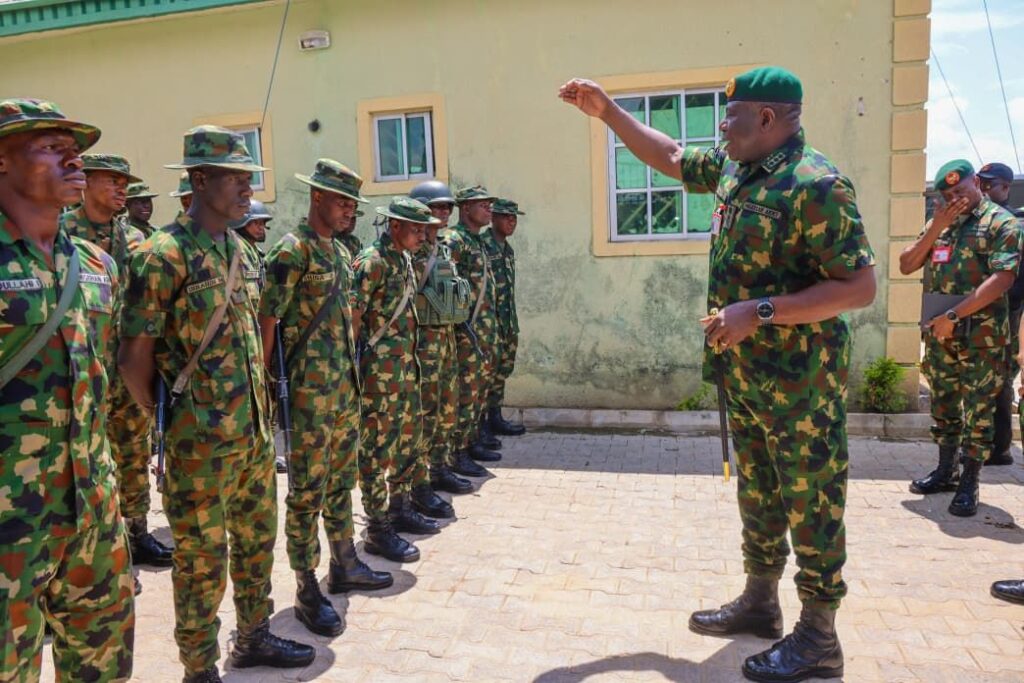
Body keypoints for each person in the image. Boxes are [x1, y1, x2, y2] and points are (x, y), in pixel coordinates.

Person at [560, 66, 877, 682]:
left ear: (767, 118)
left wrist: (759, 312)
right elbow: (673, 157)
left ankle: (820, 636)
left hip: (801, 386)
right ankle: (760, 602)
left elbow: (858, 287)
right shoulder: (738, 168)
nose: (722, 127)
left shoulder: (816, 184)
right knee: (758, 493)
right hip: (747, 377)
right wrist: (609, 113)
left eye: (731, 117)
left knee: (811, 501)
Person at [118, 125, 314, 682]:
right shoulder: (163, 255)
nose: (248, 188)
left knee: (257, 543)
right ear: (200, 180)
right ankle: (199, 667)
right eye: (235, 178)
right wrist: (174, 420)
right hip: (198, 449)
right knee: (201, 562)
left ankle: (252, 636)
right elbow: (133, 358)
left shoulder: (241, 249)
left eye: (249, 177)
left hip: (252, 437)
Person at [0, 97, 134, 682]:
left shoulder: (98, 265)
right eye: (51, 148)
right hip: (9, 524)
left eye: (74, 150)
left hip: (93, 512)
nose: (74, 160)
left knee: (103, 668)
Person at [259, 159, 393, 637]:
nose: (348, 212)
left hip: (342, 390)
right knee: (306, 494)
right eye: (341, 202)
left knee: (340, 482)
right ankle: (306, 586)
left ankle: (344, 562)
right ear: (317, 197)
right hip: (306, 398)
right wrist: (267, 388)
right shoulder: (291, 251)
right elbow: (267, 322)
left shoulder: (338, 251)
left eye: (353, 205)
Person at [61, 154, 173, 574]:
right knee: (87, 458)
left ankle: (137, 533)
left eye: (124, 181)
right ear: (86, 183)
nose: (122, 188)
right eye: (112, 180)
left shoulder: (135, 240)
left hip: (128, 367)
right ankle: (90, 547)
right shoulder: (62, 234)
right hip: (82, 372)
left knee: (134, 450)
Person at [901, 160, 1020, 518]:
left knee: (979, 410)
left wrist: (953, 316)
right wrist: (936, 226)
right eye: (949, 195)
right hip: (942, 336)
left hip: (982, 337)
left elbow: (1003, 279)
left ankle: (970, 480)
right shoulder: (941, 224)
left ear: (977, 183)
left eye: (961, 190)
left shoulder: (1002, 223)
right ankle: (946, 470)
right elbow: (907, 264)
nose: (956, 199)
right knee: (944, 403)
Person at [352, 197, 435, 562]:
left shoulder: (403, 259)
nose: (422, 236)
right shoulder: (371, 262)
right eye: (416, 229)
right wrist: (353, 370)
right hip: (378, 378)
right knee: (375, 450)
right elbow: (353, 318)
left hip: (405, 371)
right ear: (395, 226)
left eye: (424, 230)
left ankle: (399, 507)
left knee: (407, 441)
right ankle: (377, 526)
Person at [408, 180, 475, 512]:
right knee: (424, 416)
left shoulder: (444, 249)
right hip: (422, 347)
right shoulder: (411, 253)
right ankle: (419, 483)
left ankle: (440, 468)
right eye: (437, 207)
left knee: (447, 410)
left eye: (447, 207)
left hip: (445, 340)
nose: (444, 212)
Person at [442, 186, 503, 475]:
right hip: (466, 332)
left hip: (483, 331)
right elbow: (445, 286)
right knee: (465, 394)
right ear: (465, 208)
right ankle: (457, 453)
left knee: (478, 392)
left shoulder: (477, 240)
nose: (489, 209)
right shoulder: (454, 240)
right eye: (483, 205)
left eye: (490, 205)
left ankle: (472, 440)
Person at [977, 162, 1023, 467]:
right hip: (981, 313)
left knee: (1000, 378)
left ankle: (999, 447)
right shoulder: (980, 222)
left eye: (989, 185)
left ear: (1005, 187)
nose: (984, 190)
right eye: (980, 184)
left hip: (1007, 315)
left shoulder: (1014, 224)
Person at [482, 198, 527, 437]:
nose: (512, 222)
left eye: (514, 217)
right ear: (493, 218)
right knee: (485, 375)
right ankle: (479, 425)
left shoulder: (508, 250)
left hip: (507, 323)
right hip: (488, 325)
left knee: (501, 372)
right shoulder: (482, 246)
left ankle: (495, 417)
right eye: (506, 217)